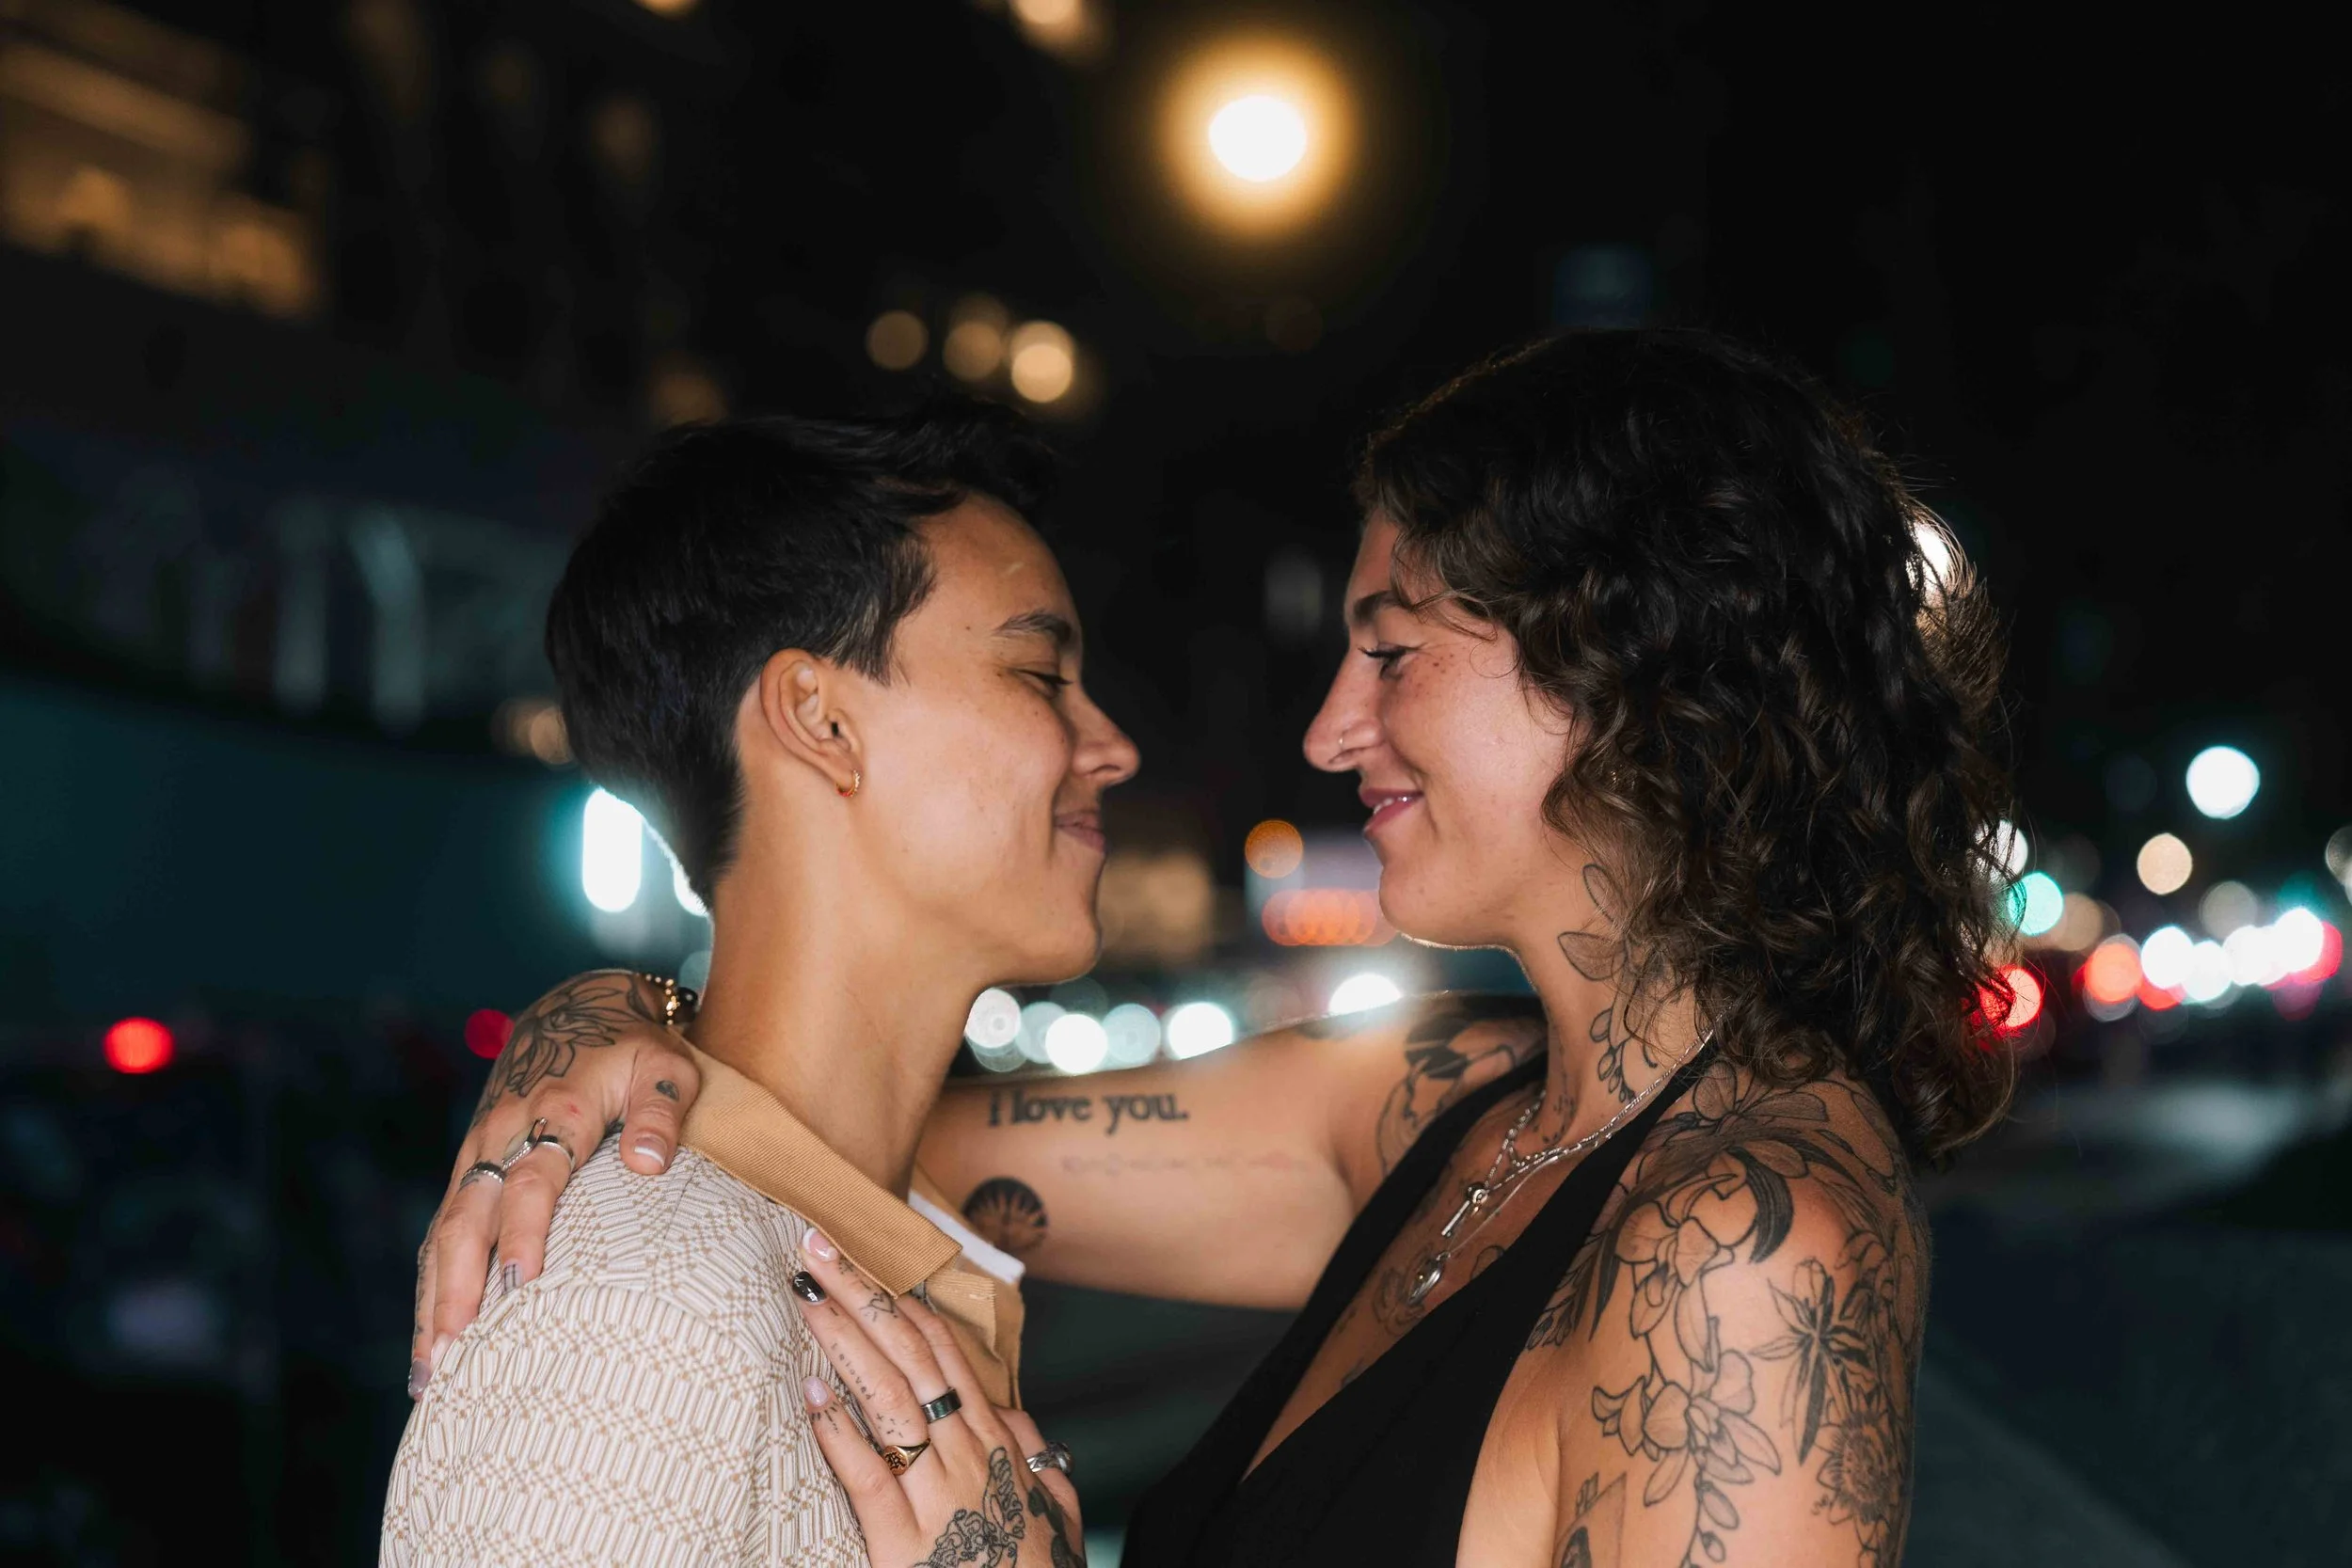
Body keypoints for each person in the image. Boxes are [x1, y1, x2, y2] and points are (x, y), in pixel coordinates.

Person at [414, 328, 2016, 1567]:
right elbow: (839, 1139)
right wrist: (609, 1012)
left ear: (1630, 664)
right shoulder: (1441, 1106)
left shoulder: (1751, 1244)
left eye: (1389, 650)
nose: (1333, 728)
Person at [380, 402, 1115, 1565]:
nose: (1108, 743)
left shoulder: (868, 1243)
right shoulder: (638, 1313)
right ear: (820, 718)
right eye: (1040, 673)